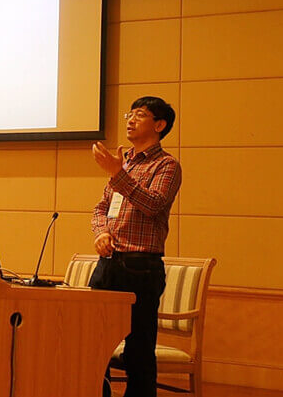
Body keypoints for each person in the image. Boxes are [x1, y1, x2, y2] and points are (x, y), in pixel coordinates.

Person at [90, 96, 182, 397]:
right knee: (93, 341)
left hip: (141, 267)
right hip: (108, 263)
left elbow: (154, 204)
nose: (130, 119)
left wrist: (118, 174)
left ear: (159, 125)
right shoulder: (124, 161)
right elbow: (101, 208)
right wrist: (101, 233)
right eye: (129, 114)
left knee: (139, 349)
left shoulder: (166, 165)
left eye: (140, 115)